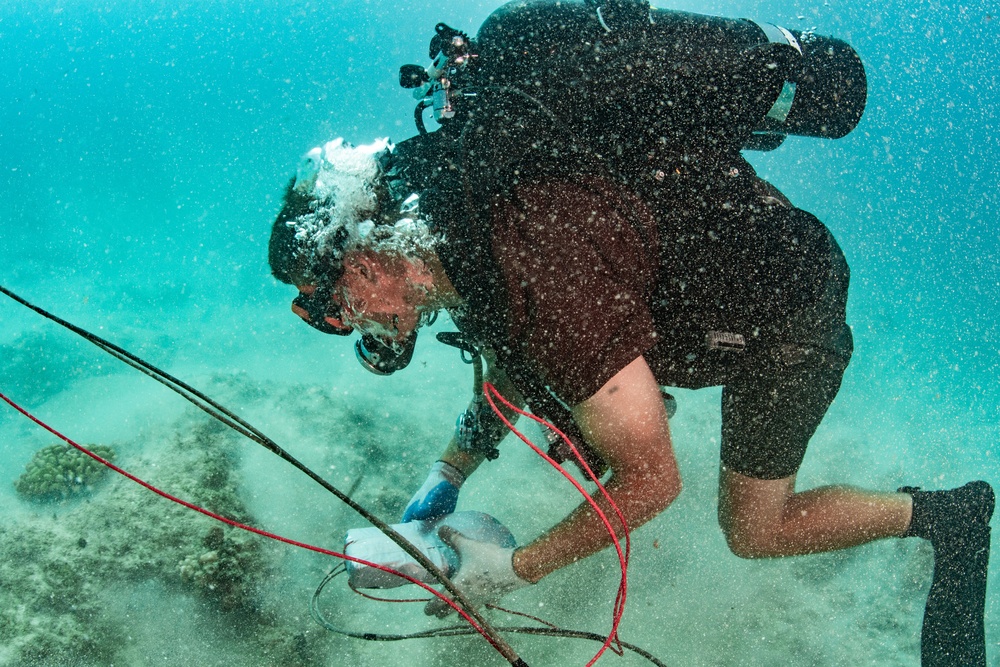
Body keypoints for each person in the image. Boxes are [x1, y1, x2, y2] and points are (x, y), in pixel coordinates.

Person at [267, 1, 994, 664]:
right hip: (717, 288)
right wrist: (446, 476)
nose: (345, 324)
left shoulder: (543, 267)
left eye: (330, 304)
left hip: (786, 312)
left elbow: (651, 481)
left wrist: (513, 570)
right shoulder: (459, 237)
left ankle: (951, 518)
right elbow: (514, 359)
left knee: (755, 529)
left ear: (366, 257)